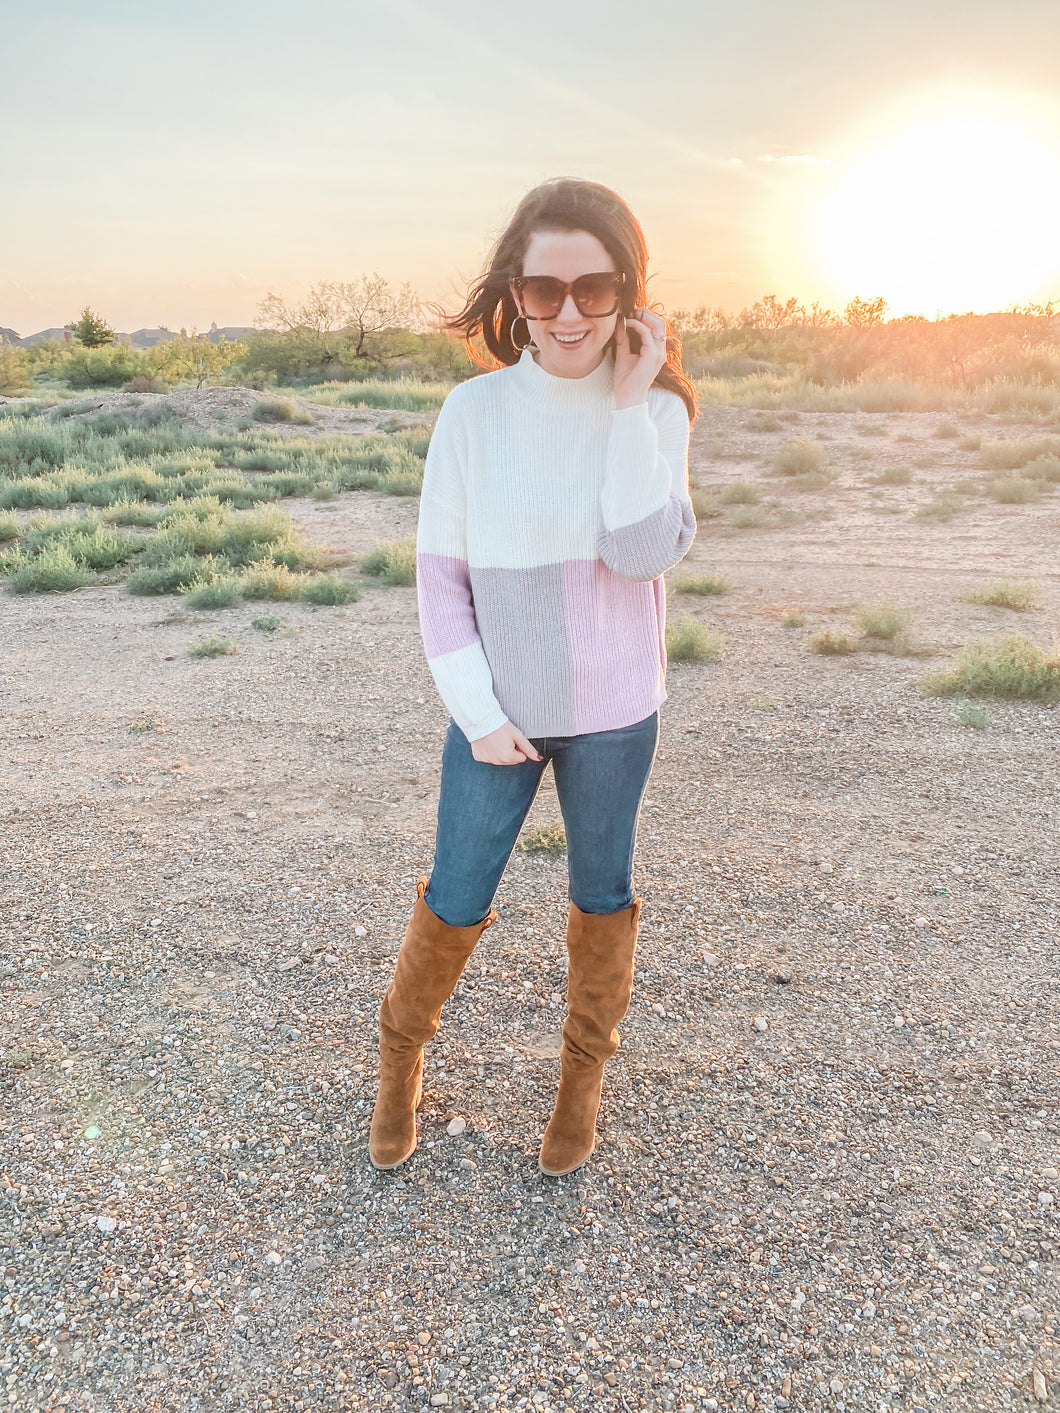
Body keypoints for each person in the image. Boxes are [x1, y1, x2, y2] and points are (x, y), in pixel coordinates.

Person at [369, 177, 697, 1177]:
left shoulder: (658, 414)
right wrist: (476, 713)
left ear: (629, 293)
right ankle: (396, 1066)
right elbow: (441, 585)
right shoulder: (472, 412)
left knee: (603, 898)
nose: (566, 313)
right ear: (513, 290)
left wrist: (634, 405)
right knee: (457, 896)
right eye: (544, 288)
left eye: (594, 289)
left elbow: (641, 554)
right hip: (496, 717)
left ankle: (579, 1087)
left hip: (614, 713)